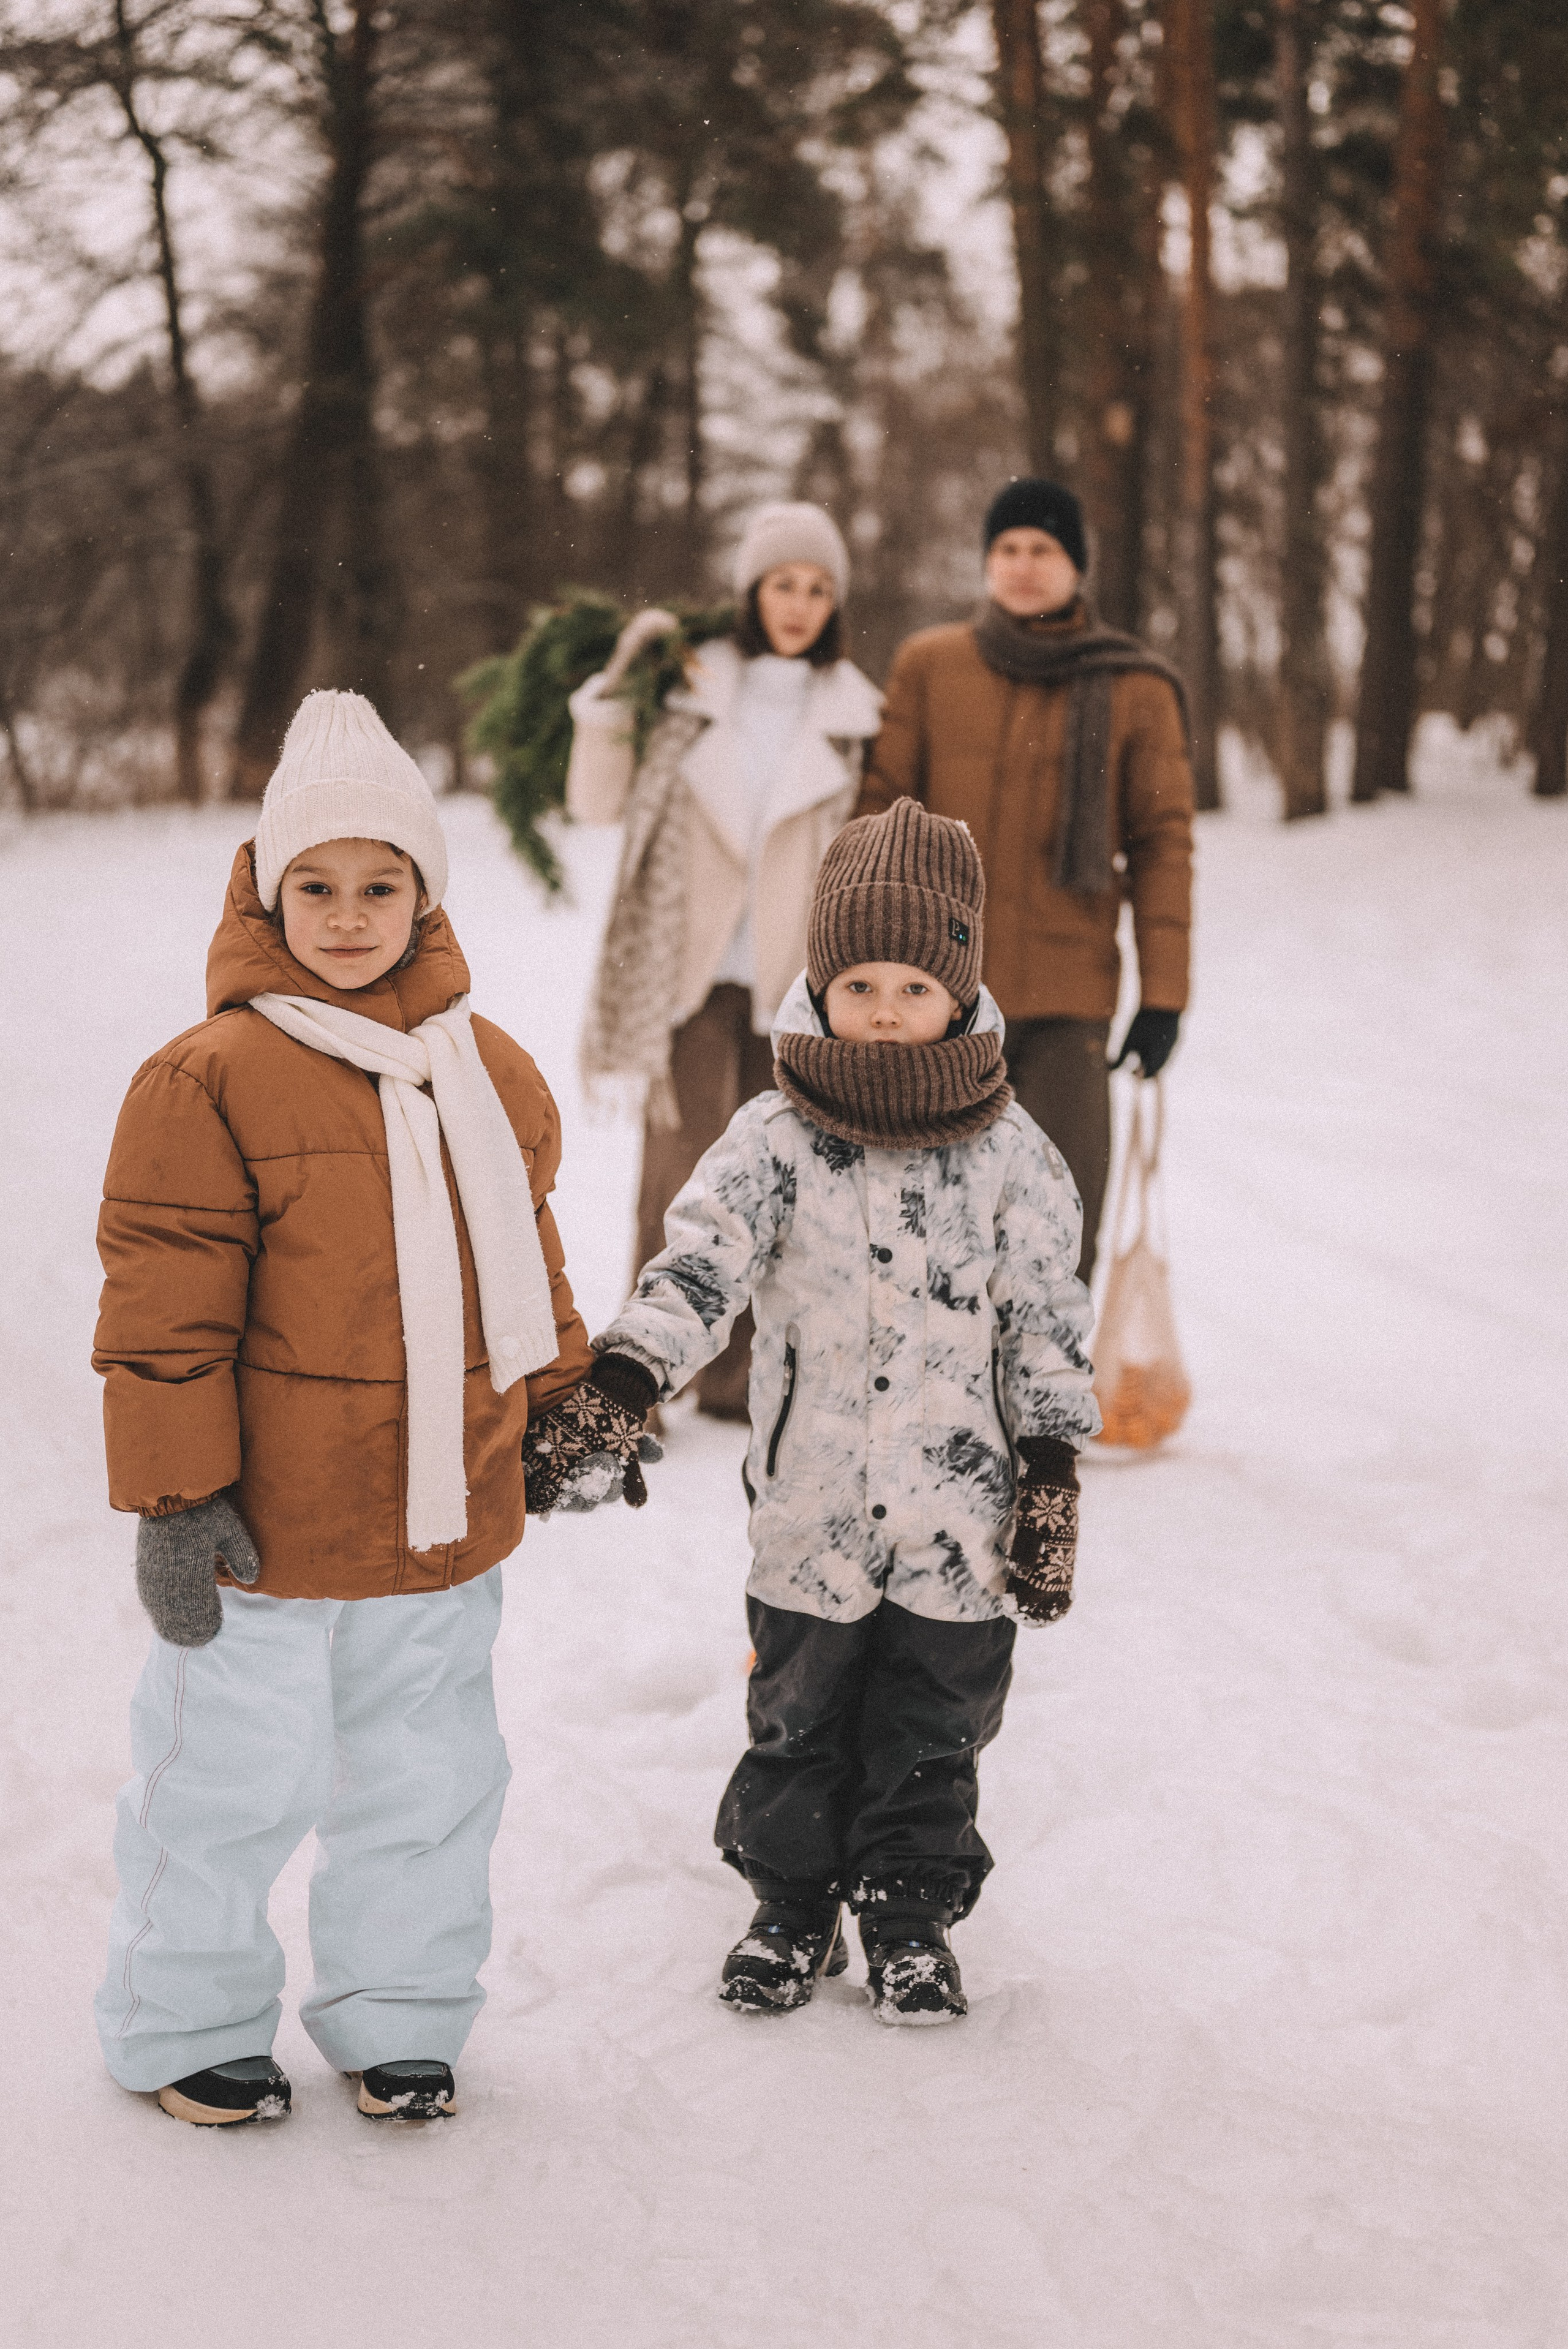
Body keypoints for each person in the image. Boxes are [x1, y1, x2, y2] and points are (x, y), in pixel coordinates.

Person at [92, 690, 653, 2128]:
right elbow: (164, 1314)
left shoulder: (490, 1068)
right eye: (318, 888)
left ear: (424, 894)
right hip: (262, 1531)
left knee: (430, 1784)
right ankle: (186, 2022)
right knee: (225, 1783)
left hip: (439, 1516)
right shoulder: (203, 1076)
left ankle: (399, 2013)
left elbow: (524, 1262)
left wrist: (561, 1405)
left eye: (381, 885)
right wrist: (174, 1496)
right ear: (272, 897)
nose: (350, 915)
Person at [587, 798, 1098, 2024]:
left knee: (934, 1726)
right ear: (816, 983)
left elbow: (1043, 1320)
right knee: (798, 1717)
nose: (880, 1008)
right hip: (809, 1506)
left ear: (958, 992)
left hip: (958, 1523)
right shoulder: (771, 1138)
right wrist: (623, 1379)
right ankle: (791, 1904)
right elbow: (699, 1271)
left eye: (911, 985)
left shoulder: (1013, 1155)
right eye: (855, 980)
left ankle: (908, 1910)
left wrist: (1046, 1472)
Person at [567, 501, 882, 1417]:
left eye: (818, 588)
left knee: (776, 1180)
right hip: (690, 968)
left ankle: (740, 1379)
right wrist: (610, 699)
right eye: (783, 583)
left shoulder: (855, 715)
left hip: (795, 981)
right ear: (752, 590)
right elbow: (598, 805)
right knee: (680, 1171)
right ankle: (647, 1367)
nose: (799, 604)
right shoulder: (691, 691)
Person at [856, 477, 1194, 1283]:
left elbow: (1162, 846)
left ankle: (1042, 1397)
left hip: (1067, 998)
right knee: (923, 1220)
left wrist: (1165, 996)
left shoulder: (1135, 687)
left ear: (1077, 564)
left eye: (1044, 548)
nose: (1024, 565)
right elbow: (875, 818)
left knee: (1056, 1214)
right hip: (938, 998)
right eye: (1007, 548)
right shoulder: (930, 665)